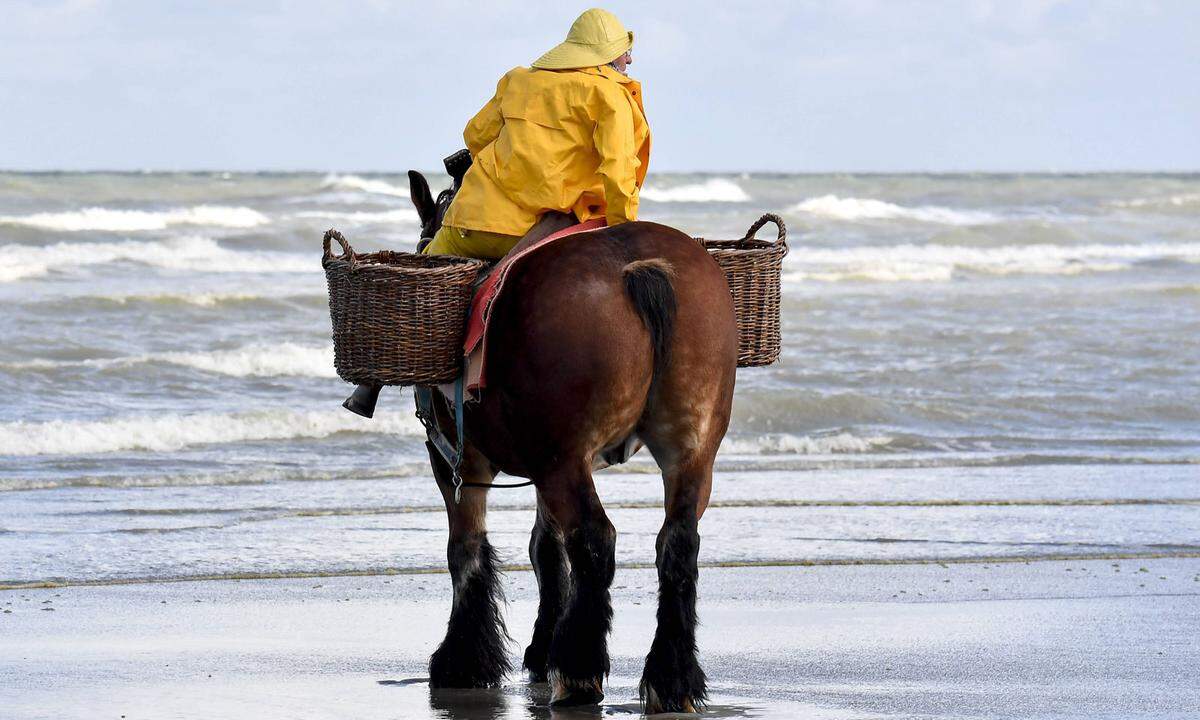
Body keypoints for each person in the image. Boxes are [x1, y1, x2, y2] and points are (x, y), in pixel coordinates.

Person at [423, 8, 651, 260]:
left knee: (424, 268)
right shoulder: (609, 96)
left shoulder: (518, 80)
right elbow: (618, 171)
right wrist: (624, 232)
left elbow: (475, 136)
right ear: (606, 56)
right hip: (545, 232)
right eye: (626, 52)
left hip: (475, 223)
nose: (629, 60)